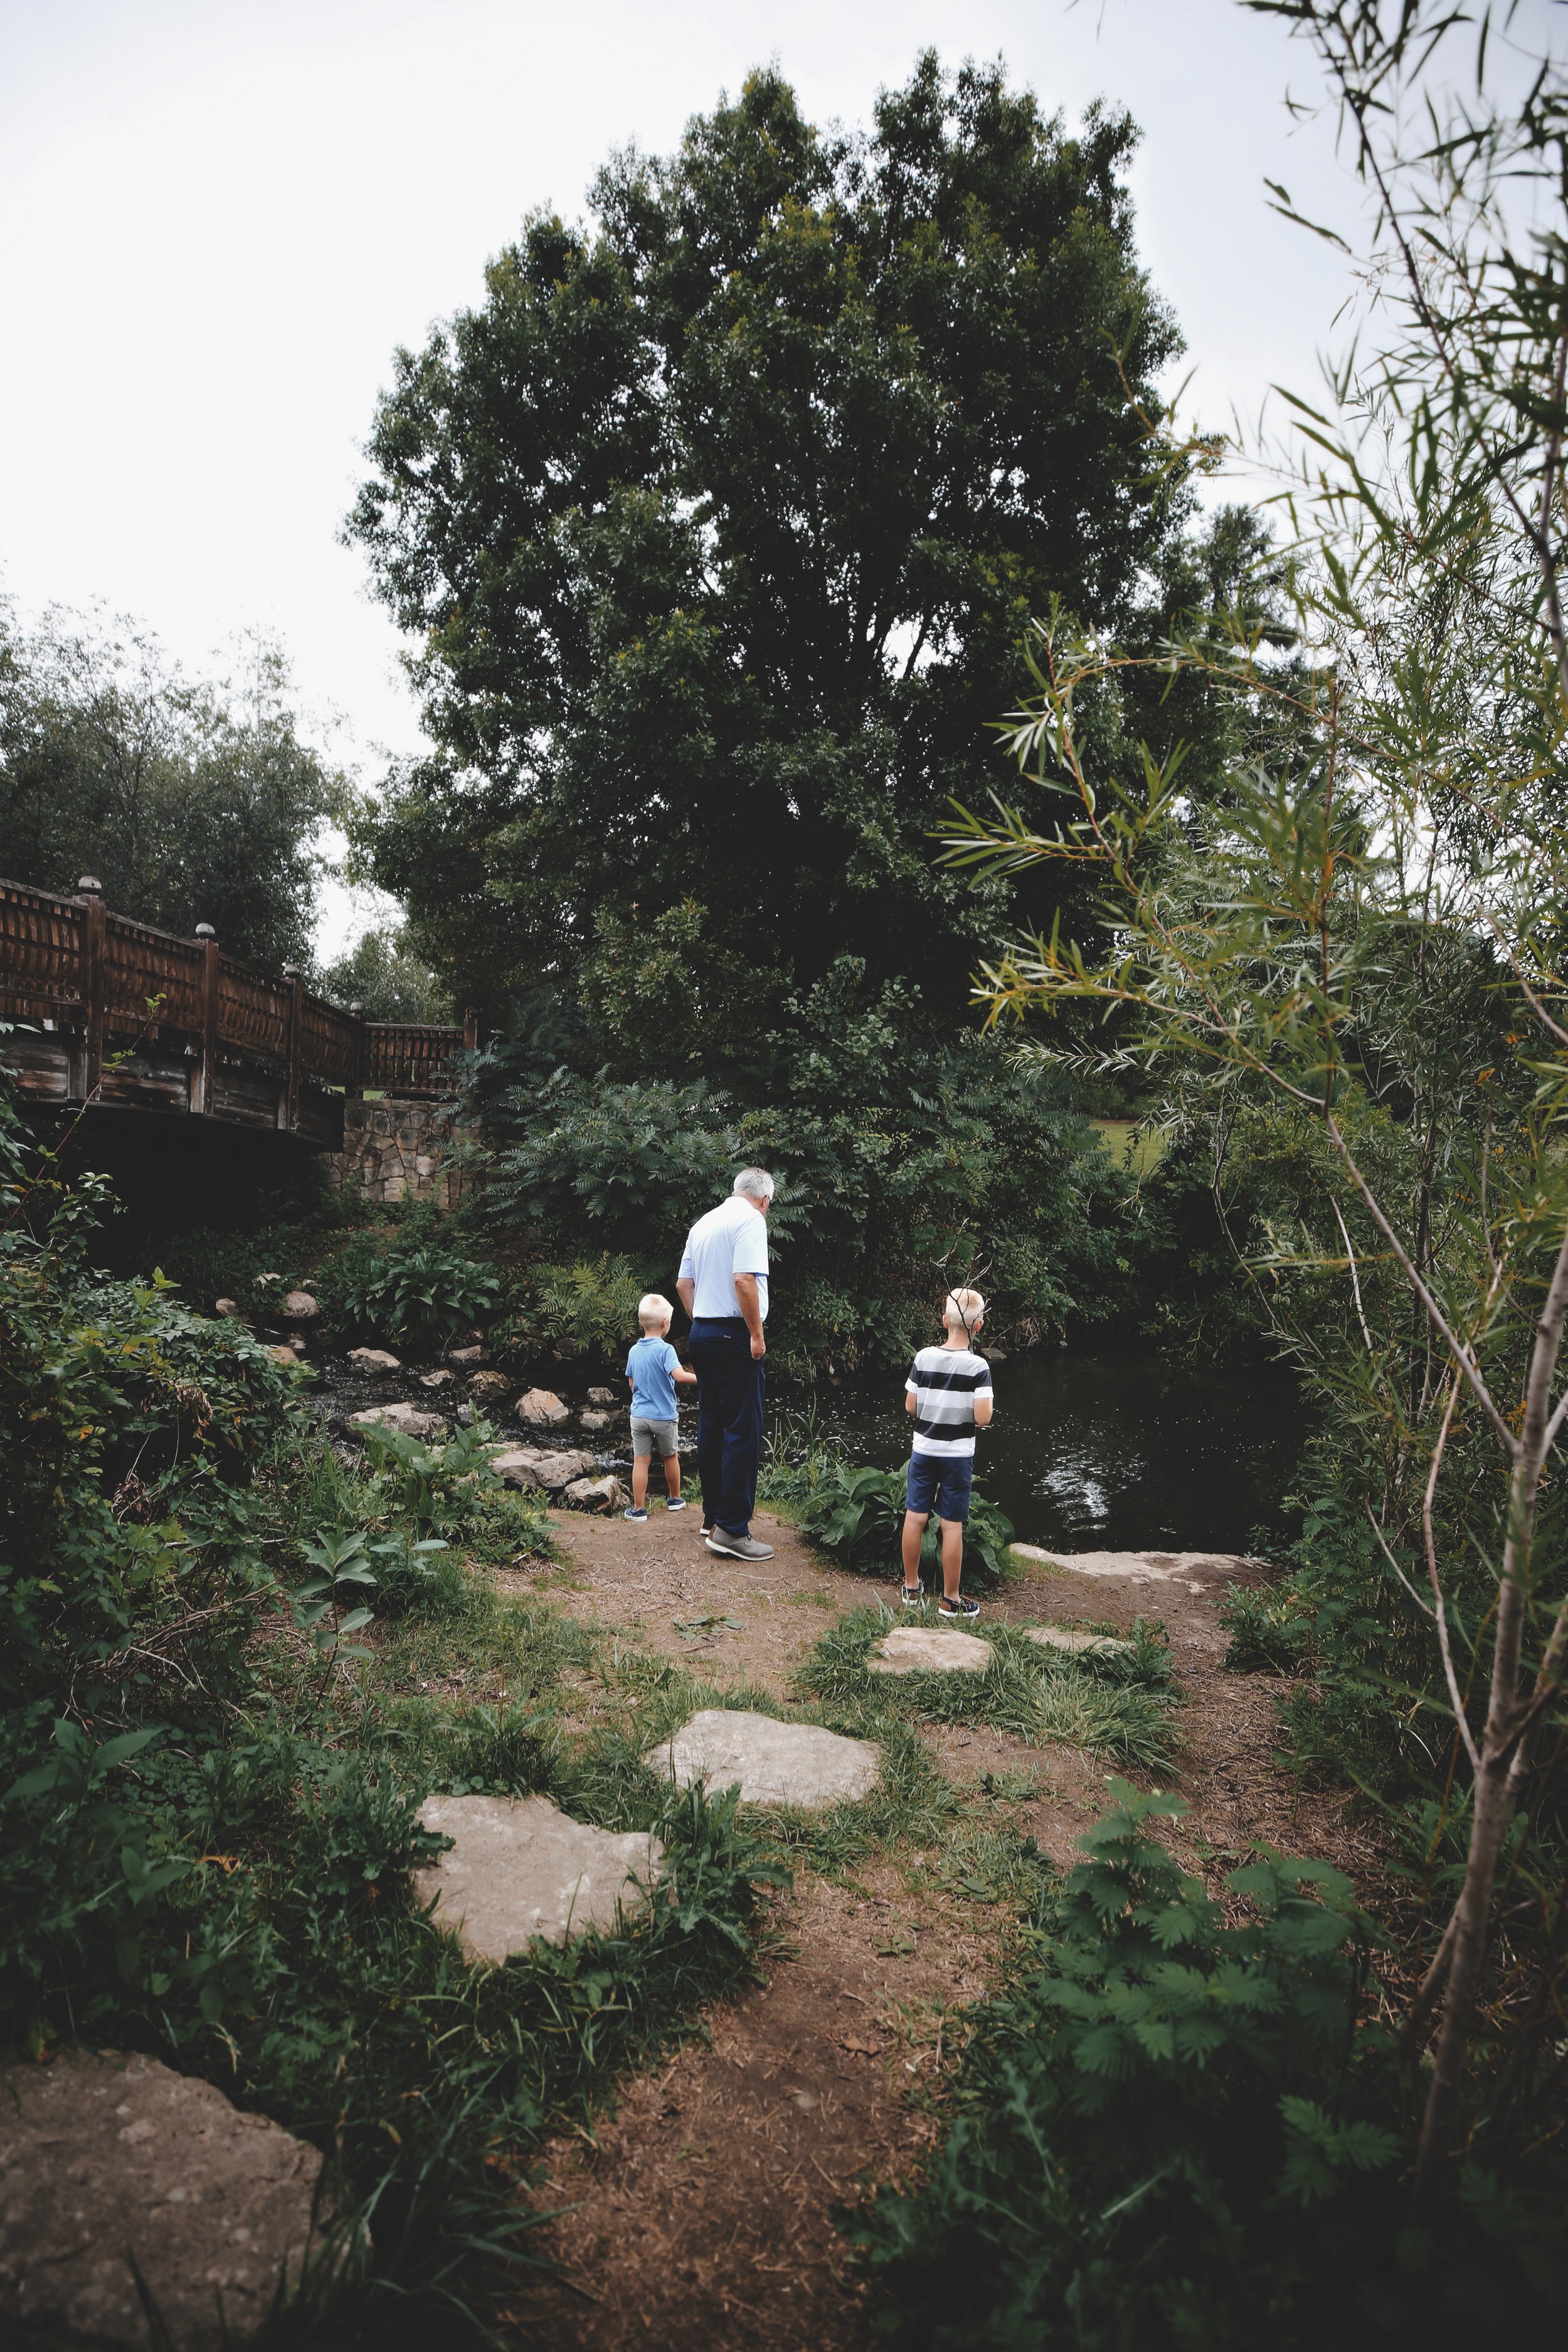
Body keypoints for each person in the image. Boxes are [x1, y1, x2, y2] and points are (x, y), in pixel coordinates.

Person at [677, 1168, 775, 1560]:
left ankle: (712, 1517)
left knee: (712, 1425)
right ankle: (732, 1531)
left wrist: (701, 1320)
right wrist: (756, 1334)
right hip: (734, 1335)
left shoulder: (705, 1222)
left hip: (701, 1332)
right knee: (743, 1430)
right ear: (764, 1200)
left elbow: (684, 1284)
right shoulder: (750, 1220)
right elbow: (744, 1281)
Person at [900, 1288, 994, 1618]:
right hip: (957, 1457)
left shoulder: (923, 1357)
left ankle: (911, 1589)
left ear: (944, 1321)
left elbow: (911, 1406)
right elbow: (983, 1418)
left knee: (916, 1517)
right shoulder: (979, 1366)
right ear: (978, 1326)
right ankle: (950, 1600)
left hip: (924, 1450)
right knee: (951, 1525)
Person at [623, 1291, 697, 1522]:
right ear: (666, 1323)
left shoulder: (634, 1351)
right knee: (670, 1457)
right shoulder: (666, 1350)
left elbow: (632, 1382)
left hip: (639, 1416)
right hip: (664, 1416)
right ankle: (675, 1498)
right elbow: (680, 1376)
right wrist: (704, 1379)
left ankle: (638, 1509)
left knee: (641, 1461)